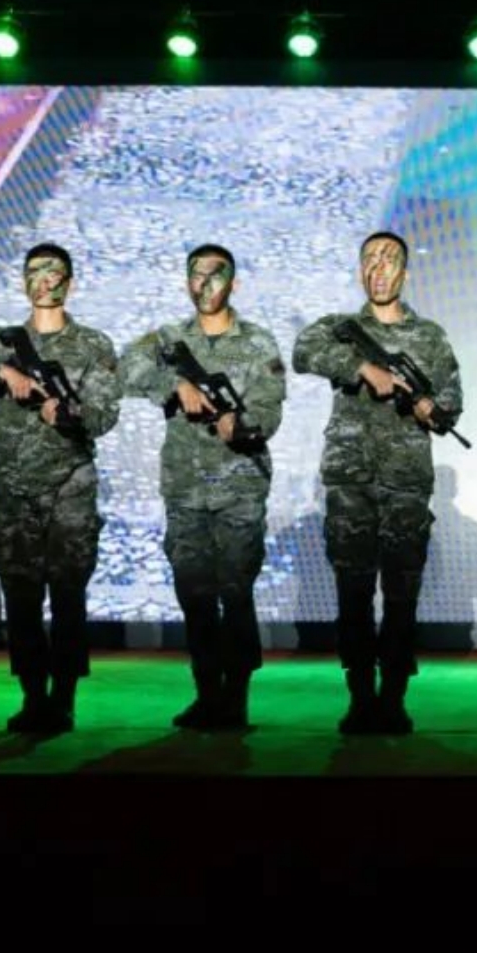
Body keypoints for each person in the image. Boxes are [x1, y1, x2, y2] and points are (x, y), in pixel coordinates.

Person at [292, 232, 463, 734]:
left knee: (402, 594)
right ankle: (360, 697)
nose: (379, 269)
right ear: (360, 271)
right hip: (351, 479)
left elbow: (452, 403)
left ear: (404, 274)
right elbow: (303, 351)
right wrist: (362, 367)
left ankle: (393, 697)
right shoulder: (342, 330)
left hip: (406, 480)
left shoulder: (429, 336)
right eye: (370, 260)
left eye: (389, 261)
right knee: (353, 592)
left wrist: (432, 409)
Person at [0, 243, 121, 734]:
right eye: (34, 272)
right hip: (15, 487)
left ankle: (63, 699)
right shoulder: (3, 342)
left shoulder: (92, 345)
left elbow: (105, 415)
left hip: (70, 485)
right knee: (21, 597)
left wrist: (67, 413)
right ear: (23, 281)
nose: (44, 280)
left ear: (70, 282)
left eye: (53, 272)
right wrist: (2, 371)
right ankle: (31, 697)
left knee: (67, 596)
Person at [119, 244, 287, 731]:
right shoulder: (169, 339)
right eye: (197, 275)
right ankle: (206, 693)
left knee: (235, 593)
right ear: (186, 282)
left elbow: (271, 407)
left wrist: (242, 423)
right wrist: (173, 386)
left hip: (239, 487)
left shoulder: (257, 342)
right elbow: (123, 369)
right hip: (186, 488)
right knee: (193, 594)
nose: (206, 284)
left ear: (234, 283)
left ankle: (236, 697)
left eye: (216, 275)